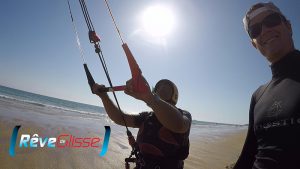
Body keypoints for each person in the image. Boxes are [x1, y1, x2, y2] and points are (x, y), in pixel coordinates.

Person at [234, 2, 300, 169]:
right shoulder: (258, 95)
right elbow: (248, 156)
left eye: (271, 20)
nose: (264, 30)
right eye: (255, 30)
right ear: (254, 44)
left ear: (289, 26)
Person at [92, 78, 192, 169]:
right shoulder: (147, 117)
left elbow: (179, 124)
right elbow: (119, 118)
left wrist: (149, 97)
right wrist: (103, 96)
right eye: (158, 88)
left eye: (166, 89)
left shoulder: (183, 115)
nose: (161, 88)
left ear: (173, 97)